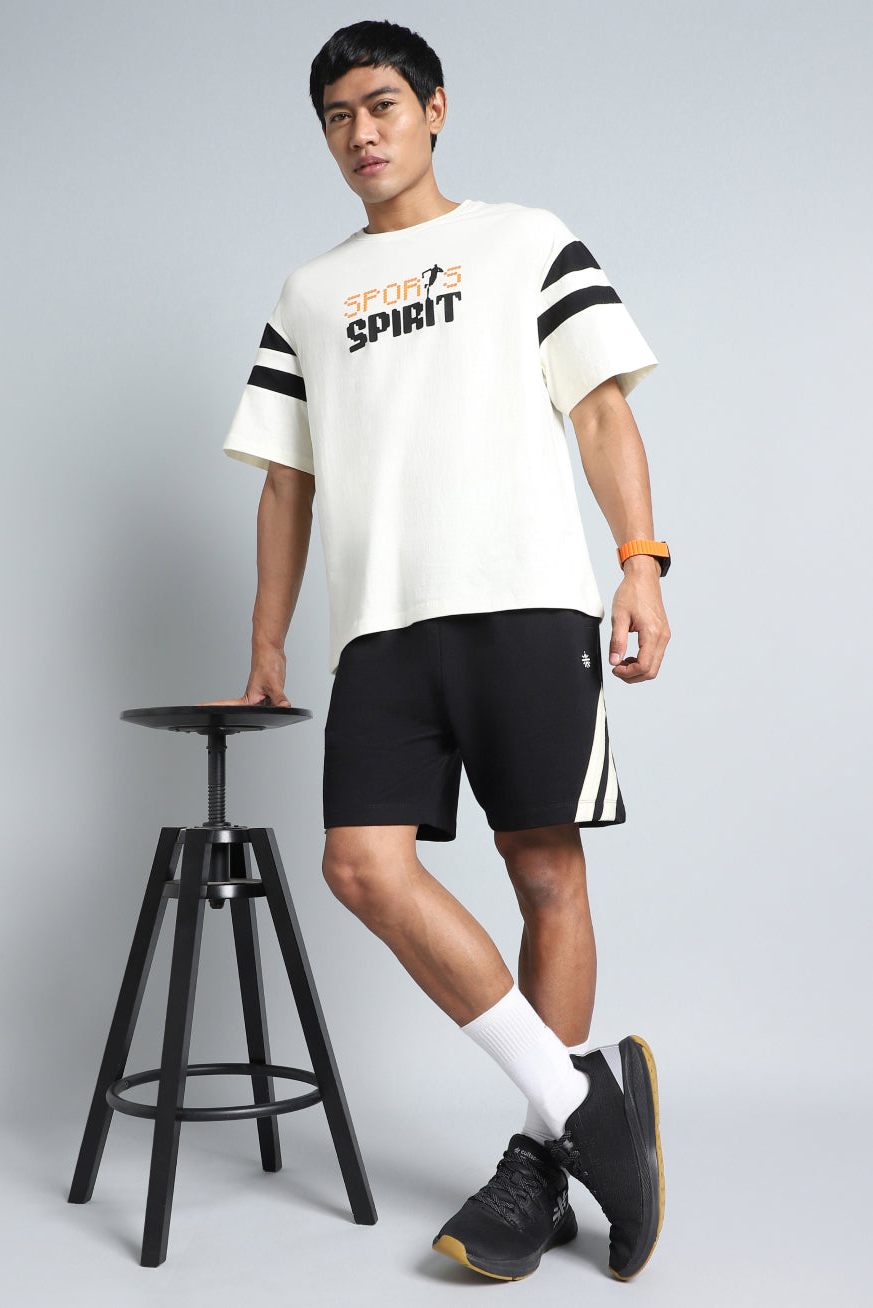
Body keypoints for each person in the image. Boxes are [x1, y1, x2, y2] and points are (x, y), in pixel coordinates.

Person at [208, 18, 670, 1284]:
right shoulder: (308, 294)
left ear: (434, 109)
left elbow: (600, 410)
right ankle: (585, 1107)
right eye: (337, 117)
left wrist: (640, 560)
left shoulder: (525, 240)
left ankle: (538, 1168)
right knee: (362, 866)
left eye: (382, 105)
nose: (361, 133)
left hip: (527, 605)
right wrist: (266, 643)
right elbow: (286, 482)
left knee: (545, 873)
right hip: (381, 628)